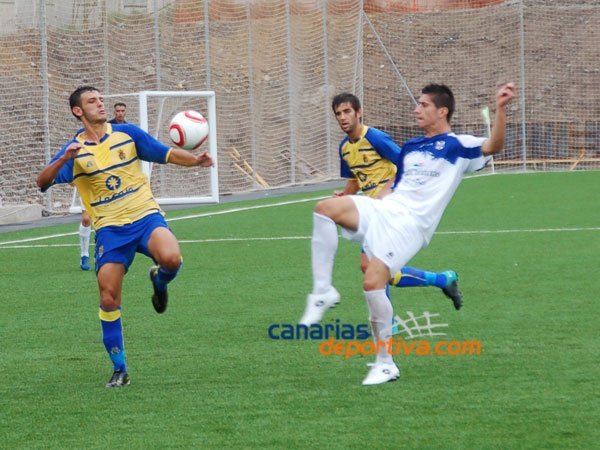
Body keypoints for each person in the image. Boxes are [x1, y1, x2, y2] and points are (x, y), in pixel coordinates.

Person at [302, 82, 515, 385]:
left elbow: (494, 146)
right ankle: (323, 291)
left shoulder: (457, 145)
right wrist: (369, 202)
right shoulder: (412, 146)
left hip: (411, 224)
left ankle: (385, 363)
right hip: (386, 209)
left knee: (372, 280)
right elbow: (396, 182)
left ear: (442, 111)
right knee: (324, 208)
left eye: (424, 105)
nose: (416, 109)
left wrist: (501, 109)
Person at [36, 86, 214, 388]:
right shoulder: (75, 150)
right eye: (92, 101)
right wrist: (63, 159)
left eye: (101, 99)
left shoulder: (128, 134)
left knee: (172, 259)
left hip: (145, 216)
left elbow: (166, 153)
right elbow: (42, 182)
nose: (101, 104)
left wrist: (196, 161)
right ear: (78, 111)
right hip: (110, 230)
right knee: (108, 299)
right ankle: (120, 369)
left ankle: (159, 280)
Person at [299, 93, 461, 326]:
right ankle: (441, 280)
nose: (343, 117)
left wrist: (387, 190)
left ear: (359, 112)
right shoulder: (344, 147)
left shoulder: (374, 137)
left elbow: (406, 164)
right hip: (370, 210)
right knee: (373, 268)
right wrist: (346, 196)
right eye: (338, 114)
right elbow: (355, 178)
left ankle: (390, 320)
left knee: (372, 267)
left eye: (347, 112)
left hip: (392, 210)